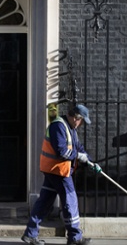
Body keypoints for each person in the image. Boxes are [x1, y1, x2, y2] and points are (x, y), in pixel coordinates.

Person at [21, 104, 101, 245]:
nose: (81, 124)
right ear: (75, 117)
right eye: (81, 120)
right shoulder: (58, 126)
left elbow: (78, 147)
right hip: (59, 171)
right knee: (70, 201)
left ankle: (30, 234)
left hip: (54, 170)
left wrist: (90, 161)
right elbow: (62, 151)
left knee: (44, 202)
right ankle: (75, 237)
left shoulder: (70, 128)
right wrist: (79, 157)